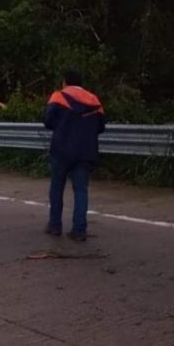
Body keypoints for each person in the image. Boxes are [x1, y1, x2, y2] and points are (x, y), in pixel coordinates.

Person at [44, 70, 106, 242]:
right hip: (85, 152)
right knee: (81, 190)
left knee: (57, 187)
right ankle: (79, 230)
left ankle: (55, 225)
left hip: (61, 150)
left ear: (65, 82)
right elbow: (101, 127)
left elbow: (48, 121)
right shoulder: (94, 99)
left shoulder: (58, 96)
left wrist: (63, 127)